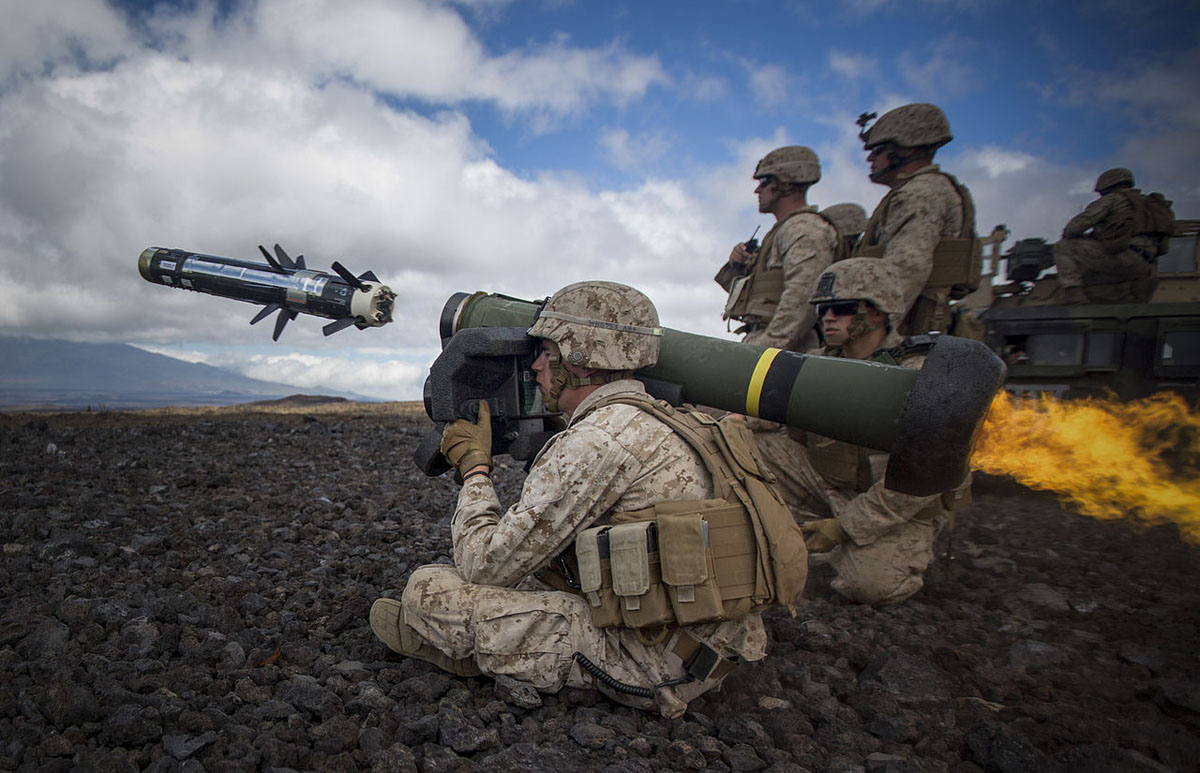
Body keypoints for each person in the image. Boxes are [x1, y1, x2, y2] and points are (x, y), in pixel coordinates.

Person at [370, 281, 805, 718]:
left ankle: (476, 653)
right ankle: (491, 650)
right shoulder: (670, 417)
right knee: (531, 571)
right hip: (708, 639)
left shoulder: (599, 440)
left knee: (430, 591)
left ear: (579, 359)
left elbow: (483, 564)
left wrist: (476, 469)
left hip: (652, 661)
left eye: (546, 351)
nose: (537, 365)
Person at [768, 259, 967, 605]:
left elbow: (922, 477)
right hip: (830, 486)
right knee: (747, 445)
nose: (828, 317)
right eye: (823, 309)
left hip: (892, 504)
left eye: (842, 308)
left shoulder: (920, 374)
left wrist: (845, 528)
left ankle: (850, 549)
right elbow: (770, 416)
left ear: (877, 313)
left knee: (869, 587)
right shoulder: (817, 362)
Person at [854, 103, 981, 336]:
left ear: (907, 149)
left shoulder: (920, 194)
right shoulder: (923, 190)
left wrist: (870, 336)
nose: (871, 157)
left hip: (906, 331)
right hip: (908, 327)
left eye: (879, 149)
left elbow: (906, 270)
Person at [715, 145, 840, 352]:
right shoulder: (783, 230)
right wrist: (737, 267)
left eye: (765, 182)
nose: (758, 190)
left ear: (787, 184)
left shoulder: (804, 229)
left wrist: (767, 349)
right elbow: (759, 298)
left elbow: (802, 299)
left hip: (787, 350)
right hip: (767, 341)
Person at [1053, 168, 1176, 304]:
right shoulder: (1151, 206)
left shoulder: (1113, 199)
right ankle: (1134, 295)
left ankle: (1074, 296)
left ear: (1106, 185)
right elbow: (1164, 249)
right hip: (1146, 267)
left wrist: (1086, 238)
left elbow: (1074, 227)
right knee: (1089, 281)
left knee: (1063, 247)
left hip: (1122, 258)